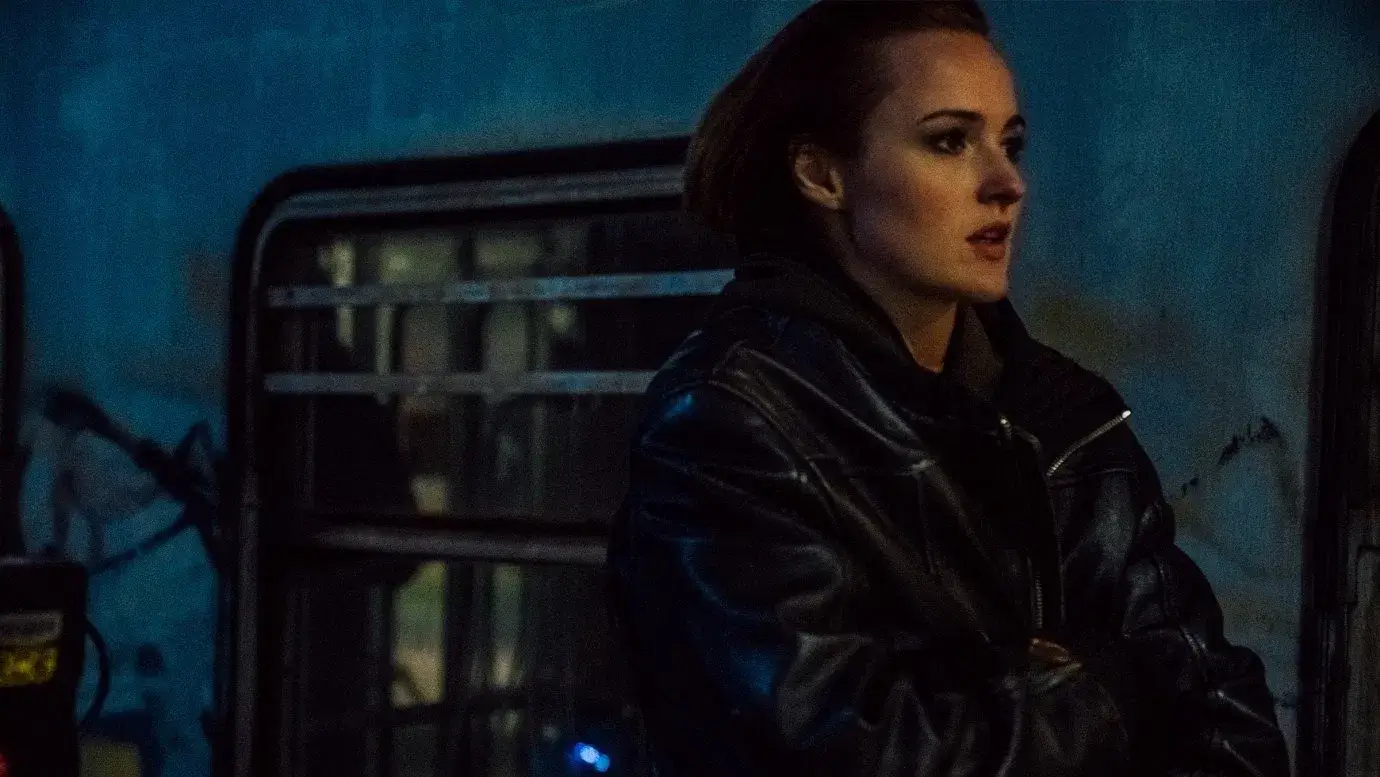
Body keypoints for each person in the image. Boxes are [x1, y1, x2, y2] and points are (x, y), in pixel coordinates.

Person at [606, 2, 1290, 775]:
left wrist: (1025, 697)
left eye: (1011, 144)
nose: (1007, 184)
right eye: (949, 141)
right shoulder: (731, 418)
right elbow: (857, 751)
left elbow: (1227, 721)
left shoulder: (1067, 416)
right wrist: (1104, 682)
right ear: (823, 174)